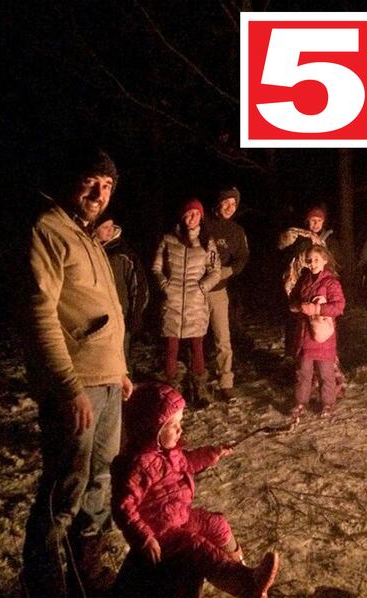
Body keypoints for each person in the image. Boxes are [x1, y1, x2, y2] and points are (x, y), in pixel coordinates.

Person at [19, 147, 133, 597]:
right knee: (66, 484)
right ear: (72, 182)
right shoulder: (49, 230)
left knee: (101, 476)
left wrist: (119, 369)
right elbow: (40, 314)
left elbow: (101, 309)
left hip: (105, 380)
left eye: (107, 186)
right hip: (76, 386)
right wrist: (67, 387)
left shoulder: (86, 236)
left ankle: (87, 568)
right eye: (91, 182)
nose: (99, 194)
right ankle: (44, 578)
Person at [111, 382, 280, 597]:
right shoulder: (136, 465)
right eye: (173, 425)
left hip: (178, 516)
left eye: (180, 422)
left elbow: (186, 463)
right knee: (197, 546)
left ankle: (243, 568)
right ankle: (244, 585)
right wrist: (143, 537)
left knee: (216, 523)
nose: (180, 429)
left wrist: (210, 455)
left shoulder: (168, 451)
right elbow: (124, 507)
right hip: (159, 530)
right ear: (152, 428)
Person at [152, 198, 221, 407]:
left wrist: (202, 287)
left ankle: (199, 390)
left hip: (195, 303)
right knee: (171, 347)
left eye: (196, 214)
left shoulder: (207, 242)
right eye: (189, 213)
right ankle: (171, 394)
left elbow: (215, 271)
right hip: (172, 301)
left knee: (197, 346)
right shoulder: (168, 239)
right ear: (182, 216)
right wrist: (164, 285)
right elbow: (156, 267)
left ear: (201, 217)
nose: (192, 218)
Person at [288, 245, 345, 418]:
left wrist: (317, 309)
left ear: (325, 260)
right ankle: (300, 403)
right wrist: (298, 306)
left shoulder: (331, 282)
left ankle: (327, 403)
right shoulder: (304, 280)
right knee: (303, 373)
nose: (312, 263)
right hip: (305, 335)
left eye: (316, 260)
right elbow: (293, 300)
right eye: (309, 260)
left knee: (325, 374)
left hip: (323, 336)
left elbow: (339, 306)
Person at [206, 186, 250, 400]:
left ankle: (226, 381)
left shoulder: (236, 231)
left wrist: (229, 270)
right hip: (195, 290)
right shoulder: (202, 224)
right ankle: (197, 379)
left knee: (222, 337)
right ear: (218, 204)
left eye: (234, 204)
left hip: (218, 291)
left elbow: (243, 257)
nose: (230, 207)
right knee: (194, 337)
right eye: (226, 203)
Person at [93, 213, 149, 376]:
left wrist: (136, 315)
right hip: (96, 317)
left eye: (112, 226)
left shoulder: (123, 254)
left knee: (122, 357)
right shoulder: (89, 252)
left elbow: (139, 286)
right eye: (105, 227)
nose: (110, 230)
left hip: (121, 317)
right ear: (94, 229)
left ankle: (127, 388)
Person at [277, 205, 341, 298]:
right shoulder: (298, 237)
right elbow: (286, 257)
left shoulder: (330, 240)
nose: (316, 223)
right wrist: (303, 245)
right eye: (313, 220)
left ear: (323, 222)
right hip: (299, 280)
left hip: (322, 281)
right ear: (307, 221)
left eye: (319, 220)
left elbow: (335, 263)